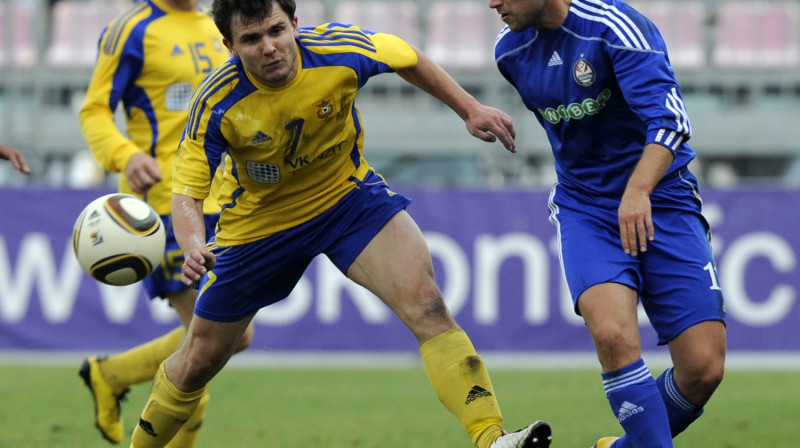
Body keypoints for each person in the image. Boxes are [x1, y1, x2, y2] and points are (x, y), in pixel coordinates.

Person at [128, 0, 553, 447]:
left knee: (426, 303)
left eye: (276, 31)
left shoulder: (338, 50)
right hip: (258, 227)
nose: (269, 47)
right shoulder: (216, 101)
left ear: (294, 24)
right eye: (252, 40)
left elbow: (407, 57)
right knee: (198, 360)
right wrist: (194, 244)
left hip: (348, 200)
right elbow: (187, 193)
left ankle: (491, 438)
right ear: (229, 45)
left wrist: (469, 108)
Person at [488, 0, 727, 447]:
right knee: (614, 335)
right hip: (586, 209)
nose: (492, 3)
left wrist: (637, 191)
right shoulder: (509, 53)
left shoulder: (615, 28)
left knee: (703, 369)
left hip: (663, 200)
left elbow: (671, 122)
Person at [78, 0, 254, 444]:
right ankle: (111, 377)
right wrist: (126, 155)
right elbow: (94, 110)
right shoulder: (132, 30)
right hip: (162, 205)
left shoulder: (221, 22)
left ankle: (111, 373)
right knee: (205, 348)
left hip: (224, 201)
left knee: (233, 336)